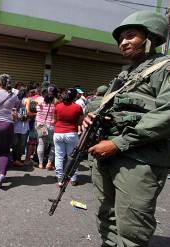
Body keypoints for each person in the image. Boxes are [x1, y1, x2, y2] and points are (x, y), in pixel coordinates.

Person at [83, 11, 170, 246]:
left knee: (132, 226)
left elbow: (166, 115)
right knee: (106, 216)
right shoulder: (124, 74)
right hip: (107, 154)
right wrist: (91, 117)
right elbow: (109, 106)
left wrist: (118, 143)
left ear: (151, 36)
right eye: (121, 39)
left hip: (139, 159)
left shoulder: (165, 68)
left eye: (130, 36)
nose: (123, 43)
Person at [54, 88, 84, 187]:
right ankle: (73, 178)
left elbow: (55, 120)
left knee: (59, 156)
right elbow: (80, 122)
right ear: (75, 96)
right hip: (71, 133)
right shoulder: (78, 107)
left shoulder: (57, 106)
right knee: (72, 157)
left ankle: (59, 177)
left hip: (58, 132)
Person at [35, 85, 58, 170]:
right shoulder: (56, 102)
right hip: (51, 125)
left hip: (41, 124)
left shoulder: (39, 100)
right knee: (54, 145)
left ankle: (40, 164)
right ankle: (49, 162)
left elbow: (34, 105)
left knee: (41, 144)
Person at [12, 88, 30, 167]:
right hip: (23, 125)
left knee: (15, 143)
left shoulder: (15, 100)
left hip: (15, 124)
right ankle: (18, 160)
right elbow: (27, 113)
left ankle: (14, 159)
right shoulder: (27, 100)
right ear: (26, 93)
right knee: (21, 144)